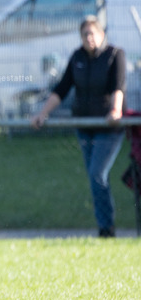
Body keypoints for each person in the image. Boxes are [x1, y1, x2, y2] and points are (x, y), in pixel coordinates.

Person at [30, 16, 125, 237]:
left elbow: (118, 86)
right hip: (84, 126)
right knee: (95, 177)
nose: (89, 38)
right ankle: (104, 225)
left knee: (97, 173)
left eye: (92, 33)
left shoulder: (114, 54)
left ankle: (106, 227)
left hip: (108, 128)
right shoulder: (77, 57)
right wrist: (42, 113)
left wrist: (115, 110)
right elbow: (62, 88)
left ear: (101, 34)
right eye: (85, 34)